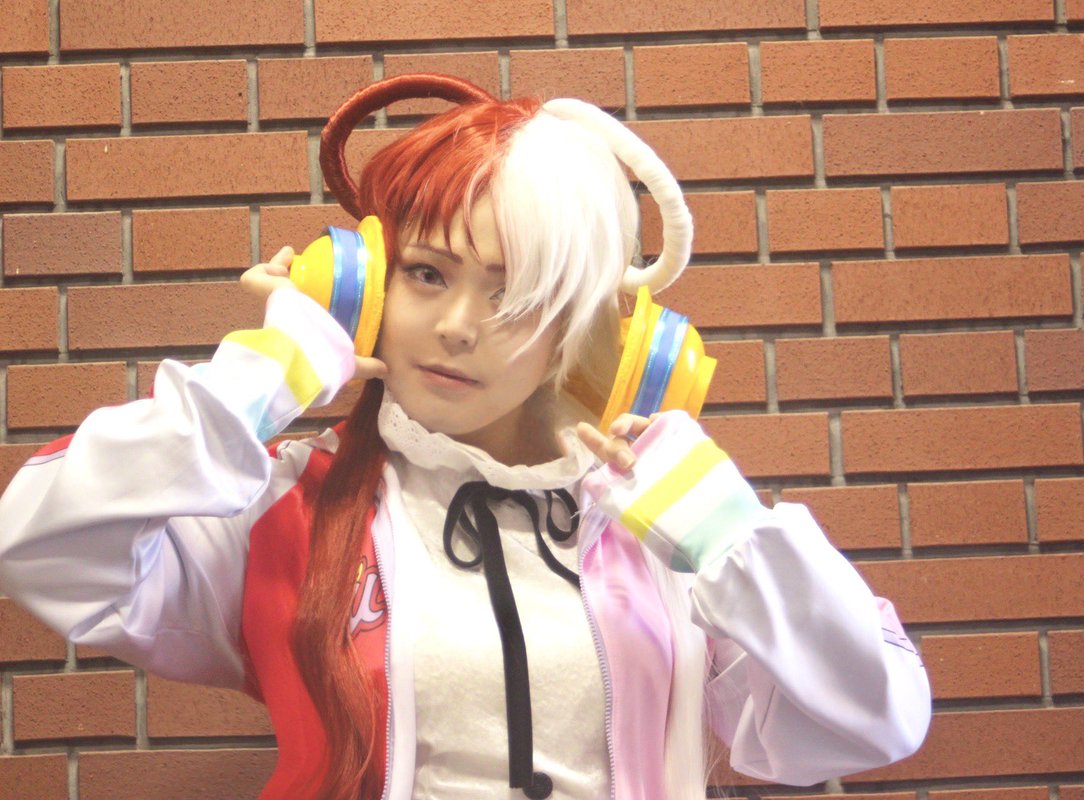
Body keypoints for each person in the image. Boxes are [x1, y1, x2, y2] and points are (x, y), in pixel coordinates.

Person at [0, 75, 930, 800]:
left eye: (514, 294)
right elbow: (43, 545)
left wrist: (729, 537)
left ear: (583, 336)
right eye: (426, 274)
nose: (456, 327)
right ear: (363, 286)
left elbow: (874, 720)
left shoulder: (663, 531)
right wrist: (261, 379)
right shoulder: (286, 511)